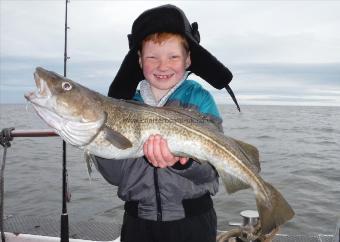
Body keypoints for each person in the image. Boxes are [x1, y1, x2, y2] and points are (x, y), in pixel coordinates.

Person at [93, 4, 239, 242]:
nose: (163, 66)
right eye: (152, 57)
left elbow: (211, 174)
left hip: (194, 222)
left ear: (188, 59)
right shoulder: (123, 106)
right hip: (137, 222)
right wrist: (94, 139)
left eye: (173, 56)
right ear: (139, 60)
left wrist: (185, 163)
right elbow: (115, 177)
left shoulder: (200, 100)